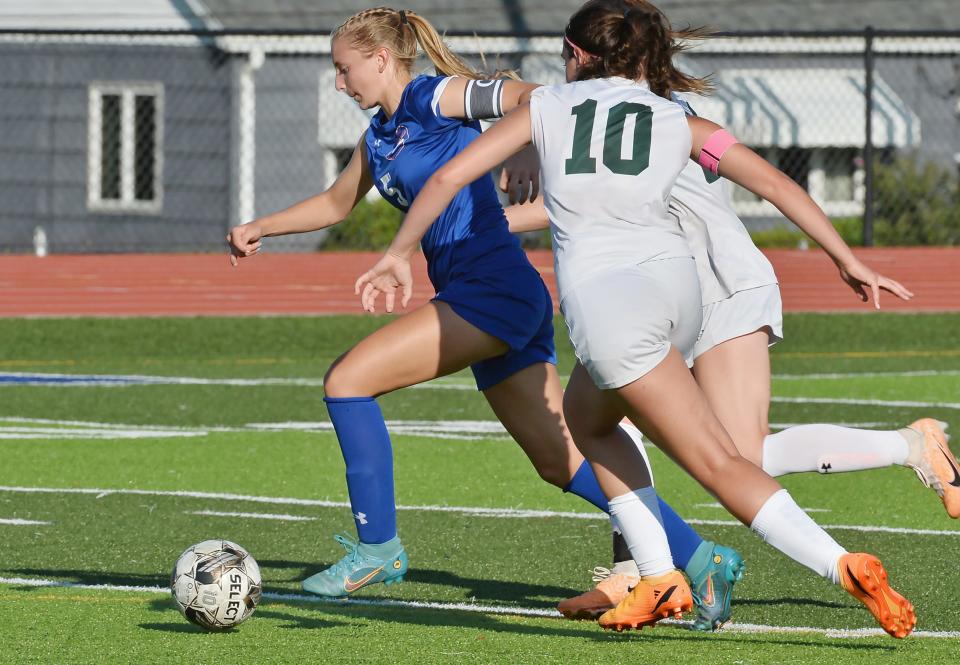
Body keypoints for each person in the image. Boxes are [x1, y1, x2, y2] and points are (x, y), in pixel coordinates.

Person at [355, 0, 917, 639]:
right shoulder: (679, 116)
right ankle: (657, 576)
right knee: (587, 418)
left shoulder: (545, 108)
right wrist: (848, 260)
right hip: (680, 297)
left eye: (565, 53)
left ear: (578, 55)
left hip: (610, 306)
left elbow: (451, 176)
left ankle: (839, 563)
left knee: (720, 462)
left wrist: (399, 252)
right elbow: (778, 187)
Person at [226, 6, 740, 628]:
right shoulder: (379, 137)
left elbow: (540, 94)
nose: (340, 82)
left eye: (345, 68)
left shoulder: (432, 97)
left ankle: (377, 548)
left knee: (347, 381)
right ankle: (704, 556)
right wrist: (262, 226)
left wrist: (527, 144)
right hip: (500, 297)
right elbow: (337, 203)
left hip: (491, 293)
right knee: (563, 463)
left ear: (381, 60)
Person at [501, 2, 956, 622]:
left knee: (727, 453)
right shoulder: (635, 115)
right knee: (632, 422)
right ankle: (636, 572)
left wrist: (847, 258)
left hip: (718, 287)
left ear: (592, 55)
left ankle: (909, 447)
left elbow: (769, 183)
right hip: (669, 291)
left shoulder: (659, 120)